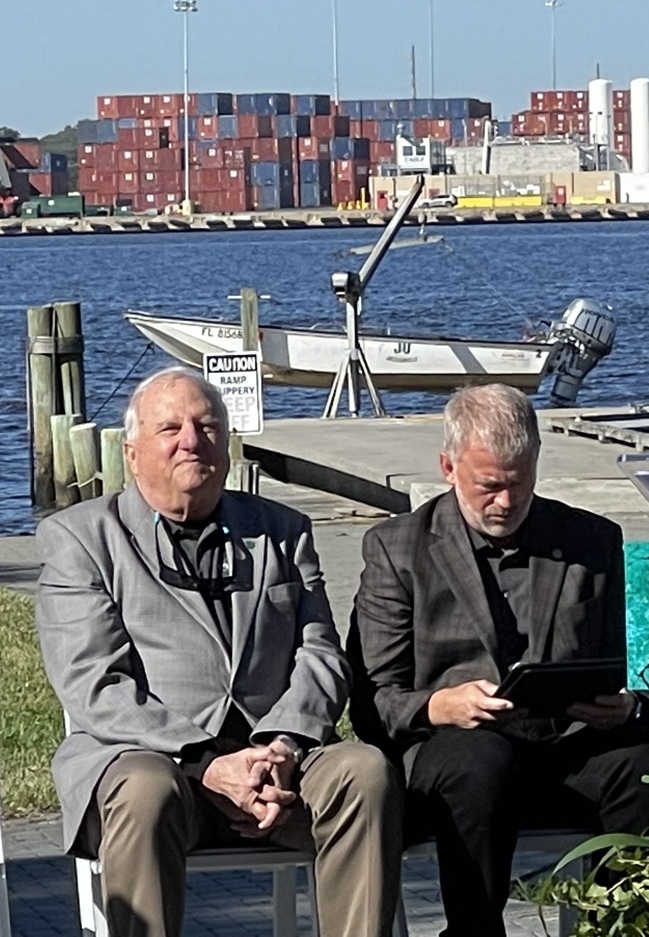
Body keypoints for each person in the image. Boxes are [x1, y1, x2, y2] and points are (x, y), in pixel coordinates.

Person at [36, 367, 400, 937]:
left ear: (228, 444)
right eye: (171, 428)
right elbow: (95, 687)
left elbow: (321, 655)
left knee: (364, 771)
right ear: (132, 453)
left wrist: (283, 744)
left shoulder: (283, 530)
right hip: (160, 768)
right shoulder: (80, 539)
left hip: (279, 769)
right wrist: (209, 763)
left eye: (207, 426)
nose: (192, 441)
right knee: (143, 788)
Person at [347, 384, 649, 937]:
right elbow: (371, 699)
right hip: (452, 758)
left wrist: (628, 706)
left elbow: (644, 673)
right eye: (489, 487)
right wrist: (438, 706)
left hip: (566, 746)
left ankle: (621, 924)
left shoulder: (591, 540)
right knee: (479, 762)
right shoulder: (397, 547)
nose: (505, 502)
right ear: (447, 467)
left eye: (519, 484)